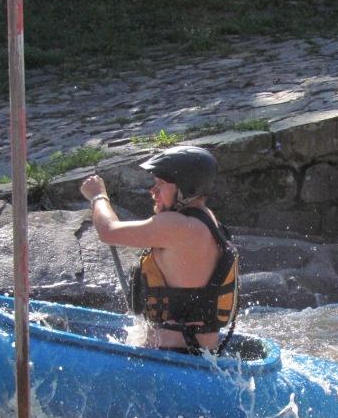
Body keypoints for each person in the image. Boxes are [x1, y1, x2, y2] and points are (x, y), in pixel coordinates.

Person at [79, 145, 239, 354]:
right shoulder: (206, 219)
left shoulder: (178, 226)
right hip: (199, 355)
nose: (152, 191)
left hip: (175, 357)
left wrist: (98, 197)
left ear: (186, 188)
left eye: (161, 184)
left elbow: (108, 231)